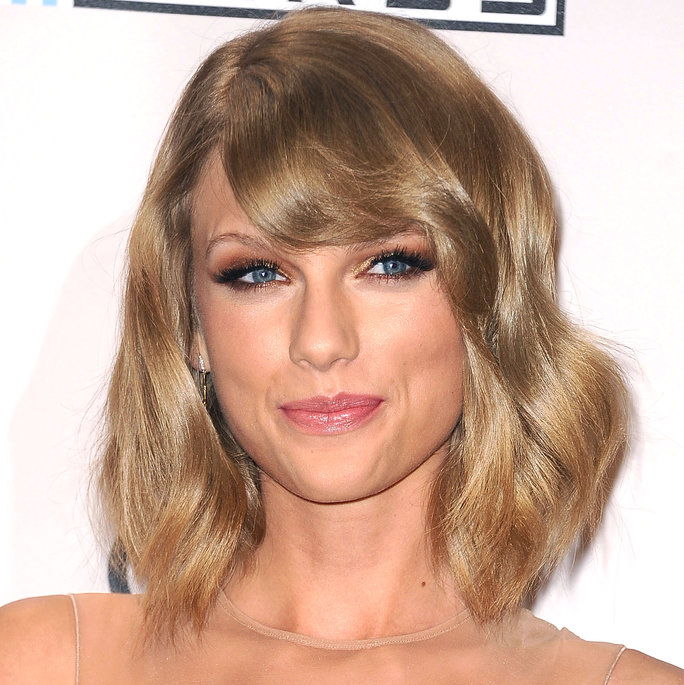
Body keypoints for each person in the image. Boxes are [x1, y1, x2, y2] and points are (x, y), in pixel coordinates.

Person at [0, 6, 682, 683]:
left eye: (389, 264)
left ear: (488, 297)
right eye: (258, 272)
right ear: (190, 324)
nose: (321, 341)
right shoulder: (47, 661)